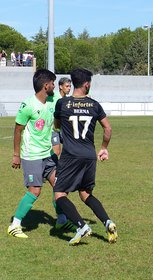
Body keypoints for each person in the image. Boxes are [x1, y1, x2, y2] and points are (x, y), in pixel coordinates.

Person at [53, 68, 117, 245]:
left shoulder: (62, 104)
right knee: (85, 194)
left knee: (59, 194)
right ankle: (108, 222)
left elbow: (57, 125)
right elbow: (108, 128)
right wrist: (104, 148)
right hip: (89, 155)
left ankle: (81, 226)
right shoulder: (95, 105)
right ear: (87, 84)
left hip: (70, 155)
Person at [7, 69, 72, 239]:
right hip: (31, 155)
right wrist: (16, 155)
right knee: (35, 191)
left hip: (48, 154)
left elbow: (67, 106)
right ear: (46, 86)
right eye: (52, 83)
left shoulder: (54, 100)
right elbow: (17, 130)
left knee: (59, 186)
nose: (54, 86)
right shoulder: (27, 105)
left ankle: (61, 220)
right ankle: (15, 224)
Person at [52, 77, 72, 157]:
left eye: (70, 86)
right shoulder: (53, 97)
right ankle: (50, 168)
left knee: (69, 150)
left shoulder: (67, 100)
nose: (69, 88)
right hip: (54, 129)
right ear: (60, 86)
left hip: (64, 129)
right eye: (67, 86)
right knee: (56, 152)